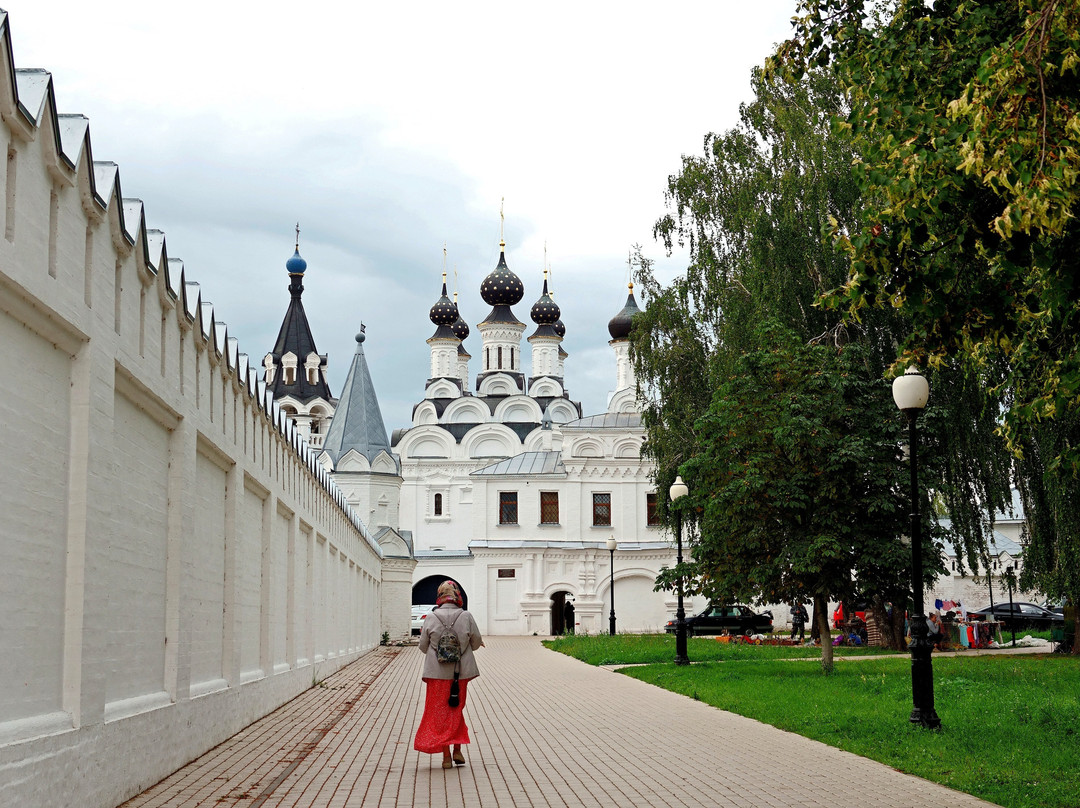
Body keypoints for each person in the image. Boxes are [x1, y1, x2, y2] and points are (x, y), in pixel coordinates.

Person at [414, 581, 483, 770]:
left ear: (440, 596)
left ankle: (446, 757)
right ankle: (457, 750)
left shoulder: (431, 617)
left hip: (436, 674)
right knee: (456, 708)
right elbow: (476, 643)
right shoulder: (466, 615)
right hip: (460, 673)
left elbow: (422, 646)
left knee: (440, 712)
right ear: (457, 595)